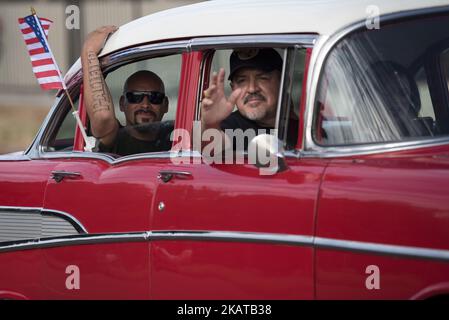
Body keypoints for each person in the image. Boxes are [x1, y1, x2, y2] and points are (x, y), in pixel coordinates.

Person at [81, 25, 172, 156]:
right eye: (135, 97)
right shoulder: (114, 138)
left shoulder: (177, 145)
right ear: (122, 103)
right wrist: (88, 51)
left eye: (155, 97)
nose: (145, 105)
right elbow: (103, 118)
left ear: (166, 105)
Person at [201, 48, 296, 150]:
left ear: (284, 83)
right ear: (233, 88)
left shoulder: (302, 127)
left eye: (262, 78)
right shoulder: (231, 126)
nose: (252, 88)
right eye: (242, 81)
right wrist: (209, 126)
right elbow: (210, 148)